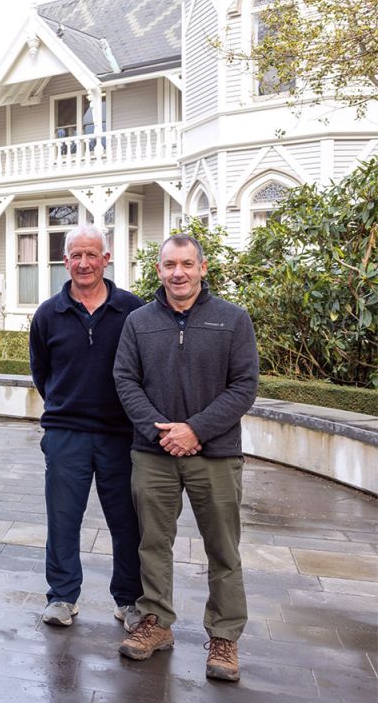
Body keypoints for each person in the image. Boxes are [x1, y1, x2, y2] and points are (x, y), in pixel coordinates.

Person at [113, 233, 258, 683]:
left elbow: (244, 386)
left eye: (187, 264)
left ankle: (224, 635)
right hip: (153, 454)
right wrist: (162, 431)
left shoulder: (233, 320)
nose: (178, 272)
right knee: (152, 543)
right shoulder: (138, 322)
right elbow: (125, 381)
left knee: (223, 549)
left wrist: (195, 430)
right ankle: (155, 622)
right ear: (158, 270)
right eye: (170, 264)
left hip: (215, 454)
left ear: (202, 267)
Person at [28, 224, 144, 630]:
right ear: (66, 262)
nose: (83, 263)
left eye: (91, 254)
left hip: (121, 436)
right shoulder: (47, 314)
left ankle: (129, 600)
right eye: (76, 255)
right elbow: (41, 373)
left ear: (106, 259)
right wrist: (65, 407)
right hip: (66, 434)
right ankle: (62, 596)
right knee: (63, 519)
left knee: (127, 522)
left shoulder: (133, 310)